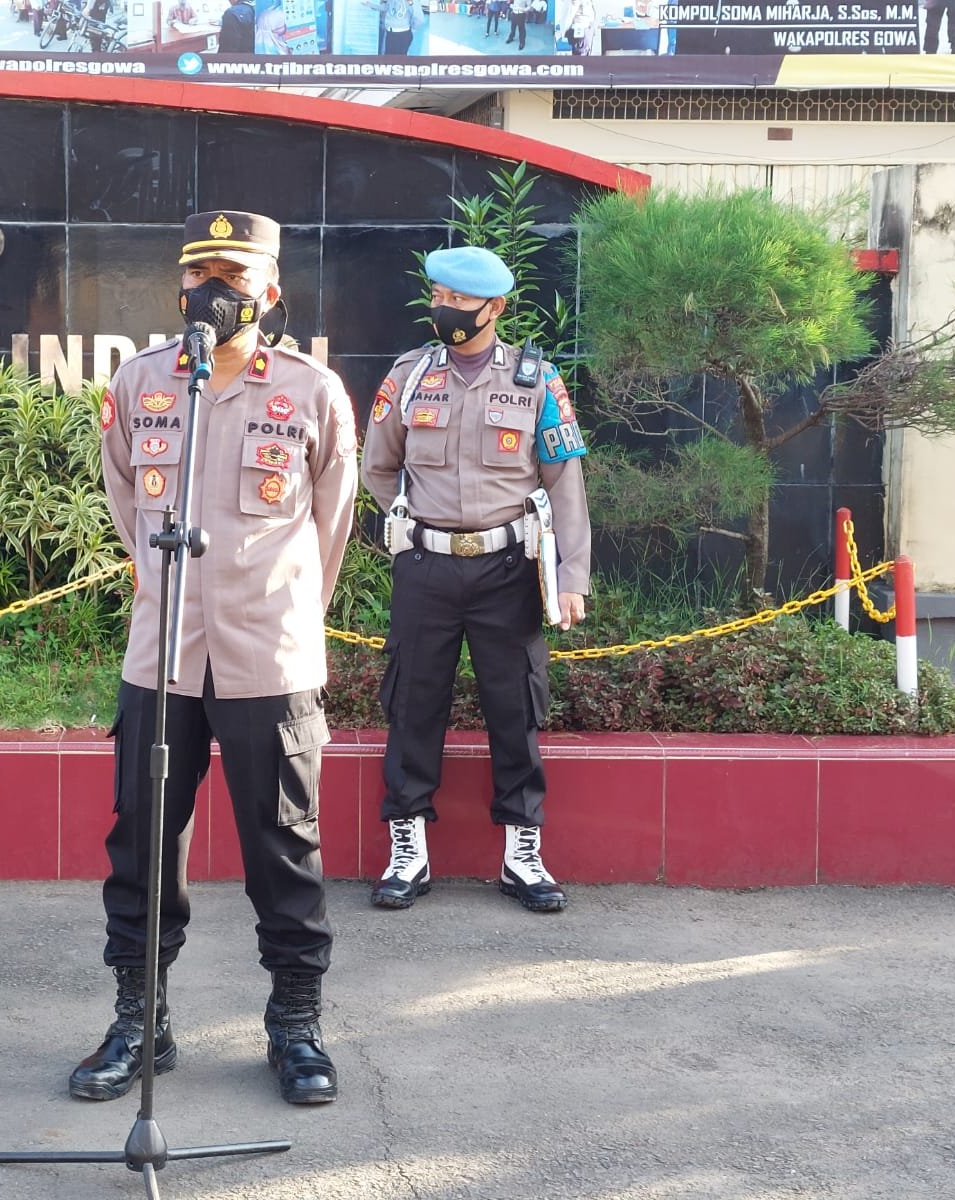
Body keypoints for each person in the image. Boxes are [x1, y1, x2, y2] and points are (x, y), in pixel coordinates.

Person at [68, 211, 357, 1107]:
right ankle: (139, 1020)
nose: (213, 291)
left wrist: (278, 606)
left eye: (233, 276)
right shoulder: (144, 380)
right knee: (143, 843)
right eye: (199, 274)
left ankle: (296, 1025)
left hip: (270, 655)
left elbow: (332, 521)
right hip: (163, 654)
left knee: (284, 844)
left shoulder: (313, 391)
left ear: (270, 291)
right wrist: (172, 593)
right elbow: (127, 499)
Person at [360, 245, 590, 915]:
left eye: (459, 301)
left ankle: (523, 853)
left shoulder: (536, 381)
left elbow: (565, 483)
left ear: (495, 308)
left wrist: (570, 575)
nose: (446, 310)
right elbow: (377, 467)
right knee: (412, 704)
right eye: (439, 297)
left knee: (516, 708)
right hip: (426, 565)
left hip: (508, 568)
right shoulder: (409, 377)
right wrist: (411, 519)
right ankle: (408, 850)